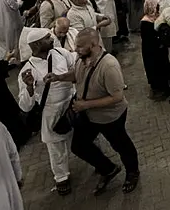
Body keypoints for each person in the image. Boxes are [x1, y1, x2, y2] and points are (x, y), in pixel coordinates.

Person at [46, 29, 140, 194]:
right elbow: (76, 75)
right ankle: (108, 169)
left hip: (110, 117)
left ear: (94, 45)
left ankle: (133, 172)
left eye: (81, 46)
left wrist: (86, 105)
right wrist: (59, 77)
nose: (76, 49)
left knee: (121, 145)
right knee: (79, 146)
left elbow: (117, 96)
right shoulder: (81, 59)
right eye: (76, 46)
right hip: (89, 116)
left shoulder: (109, 66)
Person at [18, 29, 77, 195]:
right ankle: (61, 177)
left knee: (85, 137)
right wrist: (29, 86)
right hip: (50, 111)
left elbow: (75, 69)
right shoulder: (27, 70)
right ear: (36, 44)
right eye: (47, 38)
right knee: (57, 149)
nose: (52, 39)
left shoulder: (60, 52)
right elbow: (25, 106)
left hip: (71, 106)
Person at [139, 0, 164, 99]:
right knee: (153, 68)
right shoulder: (146, 22)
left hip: (154, 49)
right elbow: (150, 38)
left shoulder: (152, 19)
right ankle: (155, 89)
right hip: (150, 50)